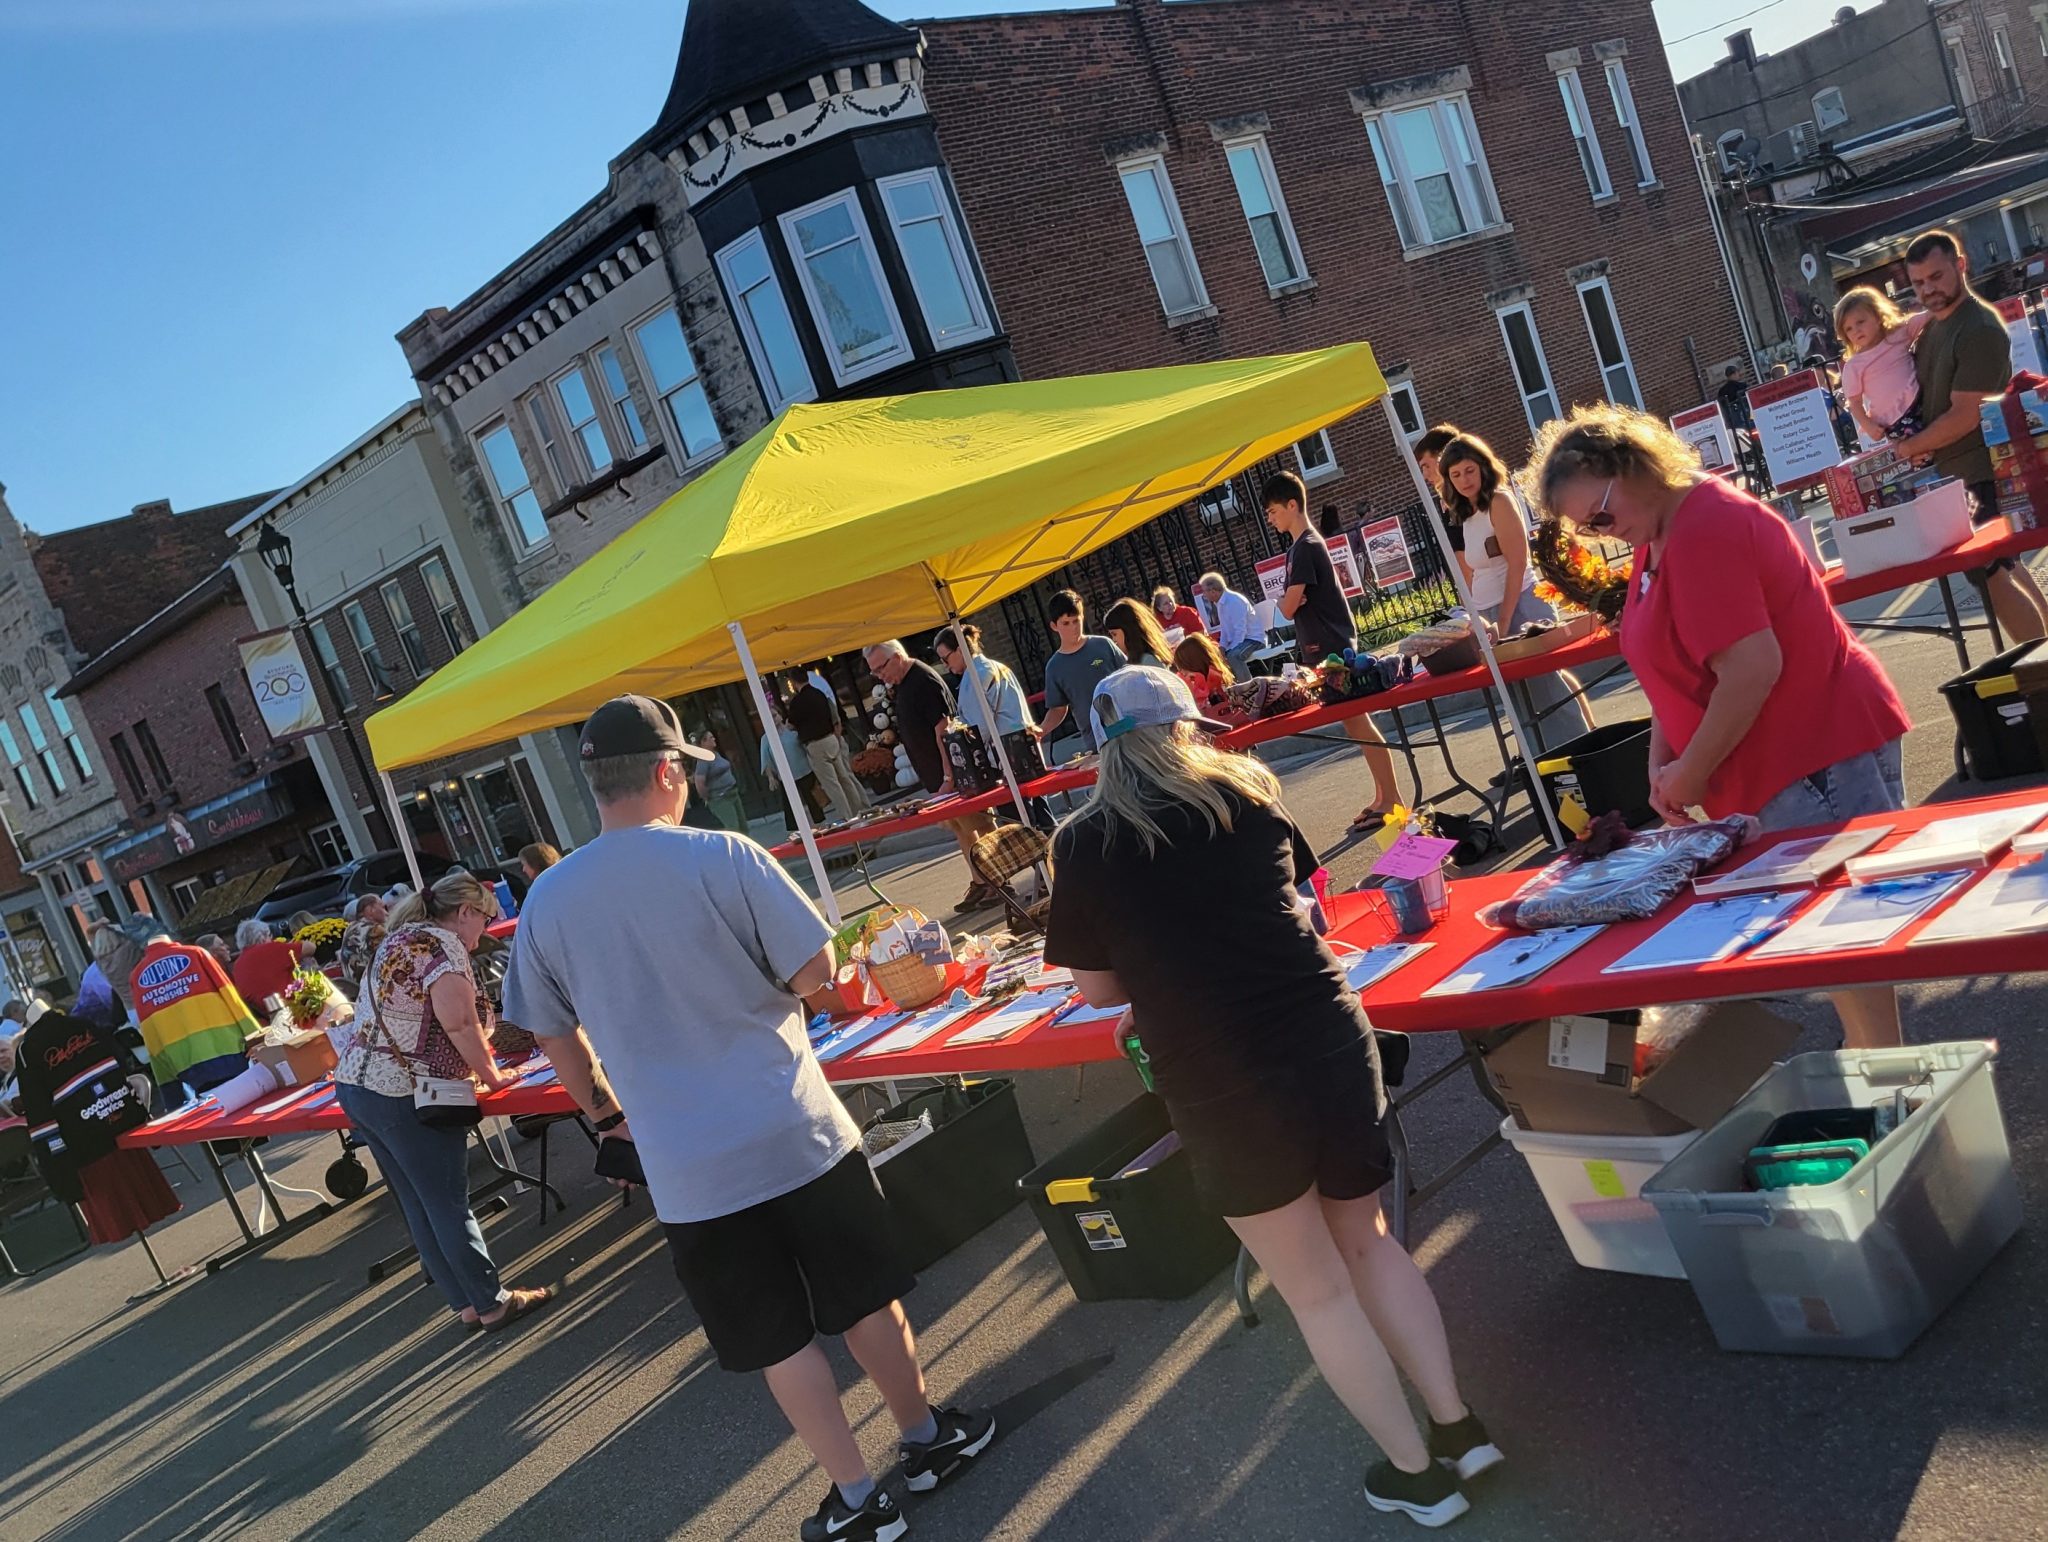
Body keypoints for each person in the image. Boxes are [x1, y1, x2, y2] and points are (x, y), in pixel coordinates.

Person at [504, 695, 993, 1542]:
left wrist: (604, 1112)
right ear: (667, 771)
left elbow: (551, 1033)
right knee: (865, 1299)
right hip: (794, 1127)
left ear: (596, 784)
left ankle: (857, 1499)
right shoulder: (724, 854)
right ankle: (925, 1439)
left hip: (686, 1166)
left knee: (777, 1339)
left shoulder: (549, 898)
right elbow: (816, 973)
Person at [1042, 668, 1492, 1530]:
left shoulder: (1086, 841)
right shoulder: (1247, 795)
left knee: (1316, 1291)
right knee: (1369, 1243)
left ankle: (1419, 1477)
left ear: (1101, 749)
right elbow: (1304, 909)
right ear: (1183, 728)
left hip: (1220, 1076)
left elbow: (1097, 989)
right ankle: (1459, 1429)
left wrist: (1157, 975)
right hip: (1325, 1034)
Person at [1531, 402, 1913, 1048]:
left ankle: (1887, 1075)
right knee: (1831, 941)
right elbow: (1674, 669)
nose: (1602, 532)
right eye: (1588, 528)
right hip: (1780, 761)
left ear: (1633, 467)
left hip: (1812, 752)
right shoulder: (1659, 532)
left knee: (1848, 938)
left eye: (1600, 514)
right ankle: (1874, 1065)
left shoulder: (1703, 528)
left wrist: (1691, 770)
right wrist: (1663, 763)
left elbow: (1752, 669)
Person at [337, 871, 552, 1333]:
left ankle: (467, 1303)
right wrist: (494, 1077)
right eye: (485, 919)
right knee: (447, 1204)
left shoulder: (398, 939)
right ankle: (491, 1303)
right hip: (403, 1091)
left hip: (357, 1083)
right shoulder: (442, 946)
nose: (484, 932)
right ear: (465, 912)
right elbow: (459, 1024)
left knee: (419, 1202)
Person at [1891, 228, 2048, 643]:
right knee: (2004, 566)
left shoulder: (1978, 327)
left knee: (1990, 575)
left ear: (1960, 265)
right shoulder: (1932, 327)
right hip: (1952, 473)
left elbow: (1966, 416)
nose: (1928, 289)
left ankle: (2039, 666)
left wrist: (1908, 447)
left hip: (1981, 471)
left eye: (1937, 276)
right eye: (1918, 283)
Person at [1436, 433, 1596, 739]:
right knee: (1519, 702)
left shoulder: (1499, 500)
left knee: (1547, 691)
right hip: (1489, 612)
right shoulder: (1466, 514)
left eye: (1469, 470)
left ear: (1483, 467)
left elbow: (1517, 563)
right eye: (1455, 475)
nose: (1464, 480)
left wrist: (1504, 621)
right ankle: (1539, 757)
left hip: (1520, 605)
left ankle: (1578, 748)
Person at [1264, 471, 1399, 831]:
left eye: (1274, 511)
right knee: (1355, 723)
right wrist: (1289, 599)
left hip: (1331, 646)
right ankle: (1383, 796)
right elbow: (1292, 602)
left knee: (1358, 720)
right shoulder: (1299, 547)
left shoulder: (1306, 546)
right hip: (1323, 644)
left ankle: (1392, 798)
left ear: (1292, 505)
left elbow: (1288, 607)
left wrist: (1286, 600)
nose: (1271, 519)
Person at [865, 641, 1000, 912]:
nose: (880, 676)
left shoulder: (922, 680)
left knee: (979, 823)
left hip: (955, 774)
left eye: (881, 668)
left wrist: (949, 776)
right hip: (936, 776)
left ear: (898, 657)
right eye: (874, 672)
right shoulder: (902, 685)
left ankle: (998, 878)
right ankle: (980, 879)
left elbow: (944, 729)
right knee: (960, 829)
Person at [129, 925, 258, 1100]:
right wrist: (257, 1038)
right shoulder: (196, 954)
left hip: (187, 1066)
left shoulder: (136, 977)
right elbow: (230, 996)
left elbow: (150, 1031)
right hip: (229, 1050)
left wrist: (168, 1087)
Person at [1834, 288, 1930, 448]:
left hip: (1921, 399)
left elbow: (1928, 316)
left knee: (1936, 437)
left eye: (1860, 322)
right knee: (1920, 450)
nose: (1856, 330)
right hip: (1893, 420)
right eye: (1848, 329)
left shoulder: (1898, 334)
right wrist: (1868, 425)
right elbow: (1854, 402)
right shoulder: (1854, 365)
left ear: (1878, 316)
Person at [1035, 590, 1126, 755]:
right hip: (1097, 739)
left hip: (1127, 724)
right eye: (1066, 623)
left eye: (1076, 620)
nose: (1073, 628)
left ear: (1083, 617)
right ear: (1054, 626)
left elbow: (1130, 674)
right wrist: (1041, 730)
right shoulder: (1054, 667)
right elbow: (1058, 708)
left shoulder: (1103, 645)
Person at [785, 669, 868, 825]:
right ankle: (859, 810)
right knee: (844, 778)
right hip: (831, 739)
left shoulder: (797, 702)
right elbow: (832, 715)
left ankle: (848, 817)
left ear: (794, 682)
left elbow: (791, 724)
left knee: (832, 784)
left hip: (815, 744)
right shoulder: (819, 694)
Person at [759, 705, 826, 833]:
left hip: (804, 770)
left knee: (813, 799)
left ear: (780, 715)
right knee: (790, 804)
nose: (773, 719)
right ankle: (797, 831)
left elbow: (807, 749)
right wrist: (771, 777)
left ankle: (820, 824)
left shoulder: (793, 732)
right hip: (785, 776)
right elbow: (765, 759)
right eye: (769, 717)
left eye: (774, 715)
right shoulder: (766, 738)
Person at [1195, 571, 1264, 679]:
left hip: (1253, 640)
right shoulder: (1220, 603)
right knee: (1216, 656)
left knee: (1233, 656)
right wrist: (1222, 647)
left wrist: (1229, 650)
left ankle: (1248, 685)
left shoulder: (1234, 601)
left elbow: (1241, 631)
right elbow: (1224, 629)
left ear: (1213, 591)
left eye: (1204, 591)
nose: (1204, 595)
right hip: (1241, 641)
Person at [231, 918, 304, 1013]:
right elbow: (310, 948)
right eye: (270, 935)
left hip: (265, 1015)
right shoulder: (271, 949)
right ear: (262, 937)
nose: (272, 939)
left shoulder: (237, 966)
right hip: (293, 1010)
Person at [692, 732, 747, 835]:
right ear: (703, 742)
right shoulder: (703, 760)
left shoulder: (716, 754)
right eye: (710, 737)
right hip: (721, 798)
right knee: (733, 828)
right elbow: (699, 782)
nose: (714, 739)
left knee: (743, 827)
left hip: (732, 793)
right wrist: (708, 797)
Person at [1100, 598, 1174, 670]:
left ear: (1128, 631)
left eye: (1114, 634)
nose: (1113, 640)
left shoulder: (1148, 661)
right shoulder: (1132, 661)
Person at [1172, 631, 1233, 708]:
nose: (1181, 671)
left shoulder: (1212, 677)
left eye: (1182, 667)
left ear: (1193, 662)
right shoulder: (1211, 673)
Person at [339, 894, 389, 987]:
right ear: (370, 910)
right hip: (372, 987)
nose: (387, 913)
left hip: (352, 986)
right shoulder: (376, 930)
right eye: (383, 907)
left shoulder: (350, 928)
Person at [1715, 365, 1754, 431]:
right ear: (1734, 374)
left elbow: (1722, 406)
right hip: (1747, 416)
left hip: (1732, 422)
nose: (1739, 374)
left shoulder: (1722, 391)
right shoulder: (1742, 386)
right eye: (1737, 372)